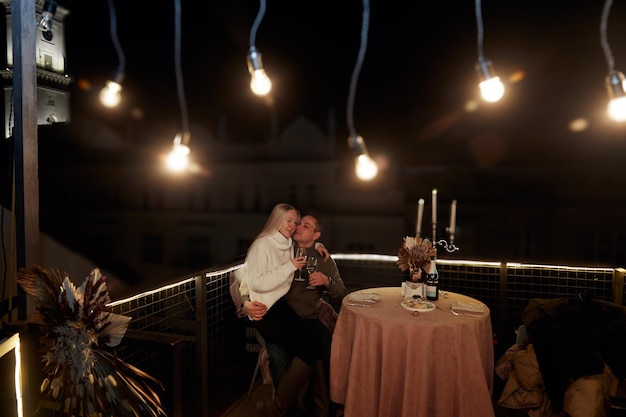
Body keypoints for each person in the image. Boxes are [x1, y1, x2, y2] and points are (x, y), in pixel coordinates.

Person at [242, 212, 347, 417]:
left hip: (311, 318)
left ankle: (321, 409)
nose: (298, 227)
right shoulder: (282, 247)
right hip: (280, 318)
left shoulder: (324, 258)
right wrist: (245, 303)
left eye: (305, 226)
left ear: (316, 235)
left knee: (326, 353)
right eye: (298, 223)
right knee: (279, 357)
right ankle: (287, 411)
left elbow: (341, 294)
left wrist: (327, 281)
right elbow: (245, 278)